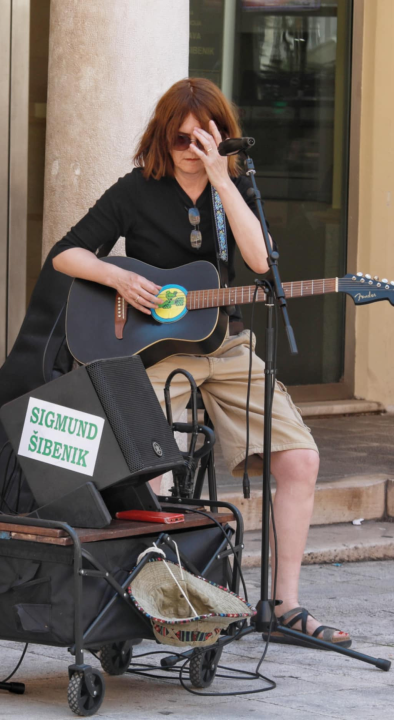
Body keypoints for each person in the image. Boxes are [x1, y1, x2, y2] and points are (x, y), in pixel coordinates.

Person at [51, 77, 350, 648]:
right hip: (155, 353)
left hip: (225, 347)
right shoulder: (133, 191)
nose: (190, 149)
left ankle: (284, 605)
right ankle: (163, 603)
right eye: (181, 139)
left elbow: (263, 264)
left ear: (222, 139)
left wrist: (221, 180)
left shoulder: (230, 190)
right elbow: (65, 254)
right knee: (154, 467)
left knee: (301, 460)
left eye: (203, 139)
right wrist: (117, 276)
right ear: (162, 137)